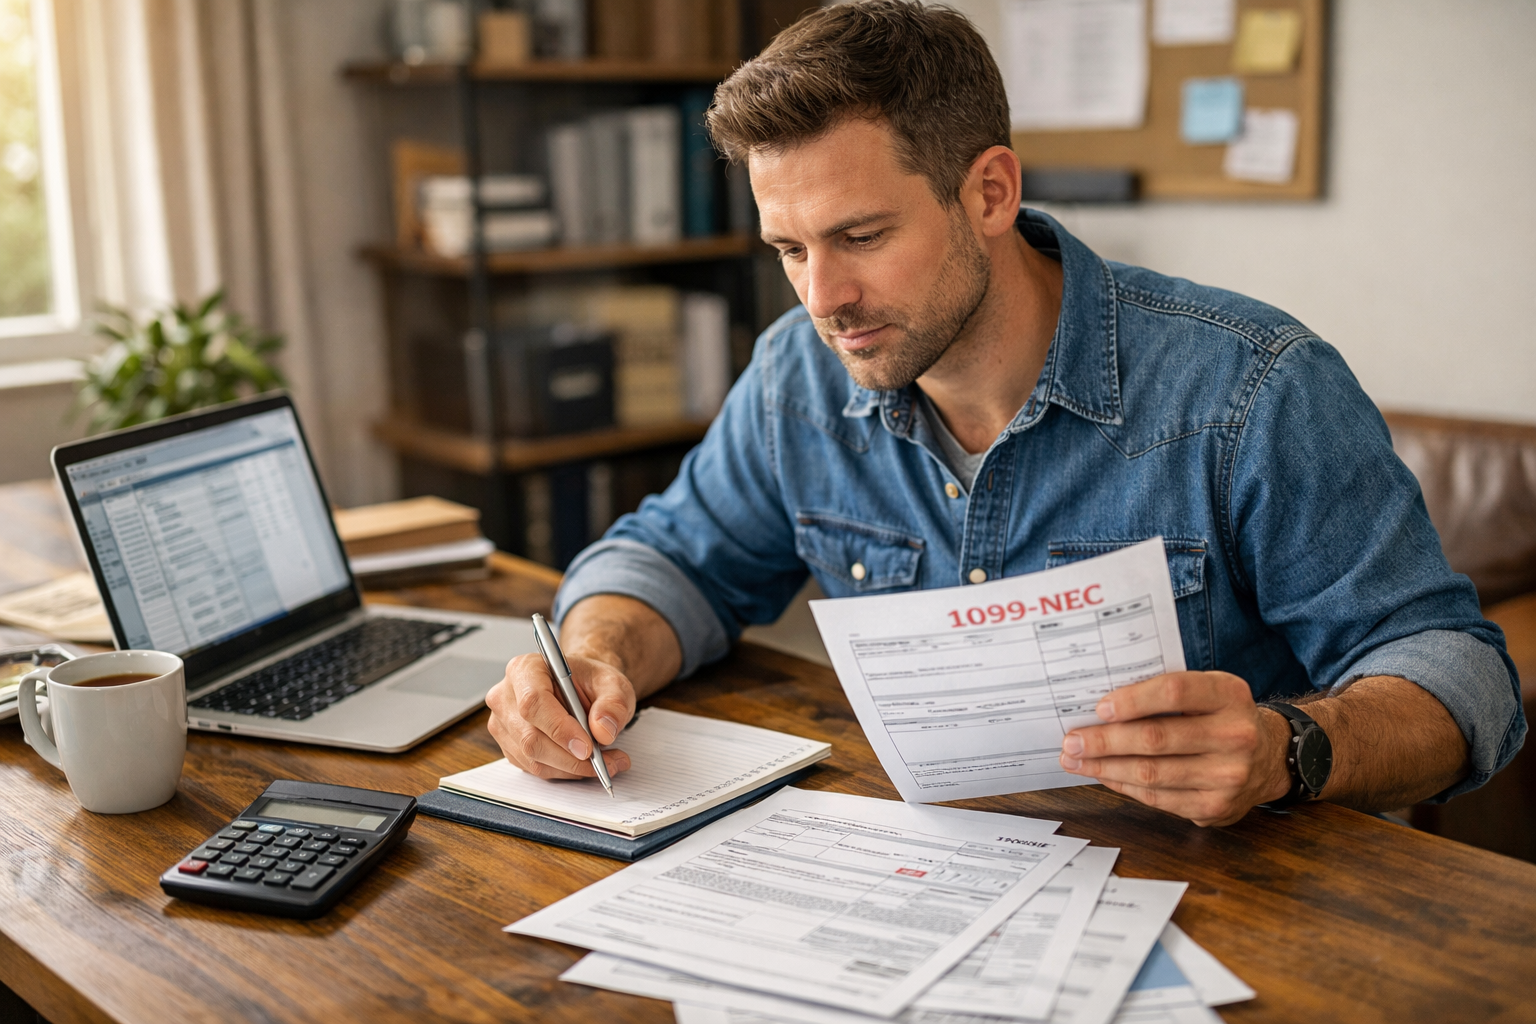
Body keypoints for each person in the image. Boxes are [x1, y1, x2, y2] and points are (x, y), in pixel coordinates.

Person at [486, 0, 1523, 826]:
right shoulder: (797, 375)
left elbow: (1461, 675)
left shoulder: (1255, 388)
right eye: (790, 250)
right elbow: (671, 561)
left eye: (860, 235)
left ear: (989, 193)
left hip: (1236, 899)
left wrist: (1290, 748)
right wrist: (597, 660)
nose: (822, 299)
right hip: (926, 882)